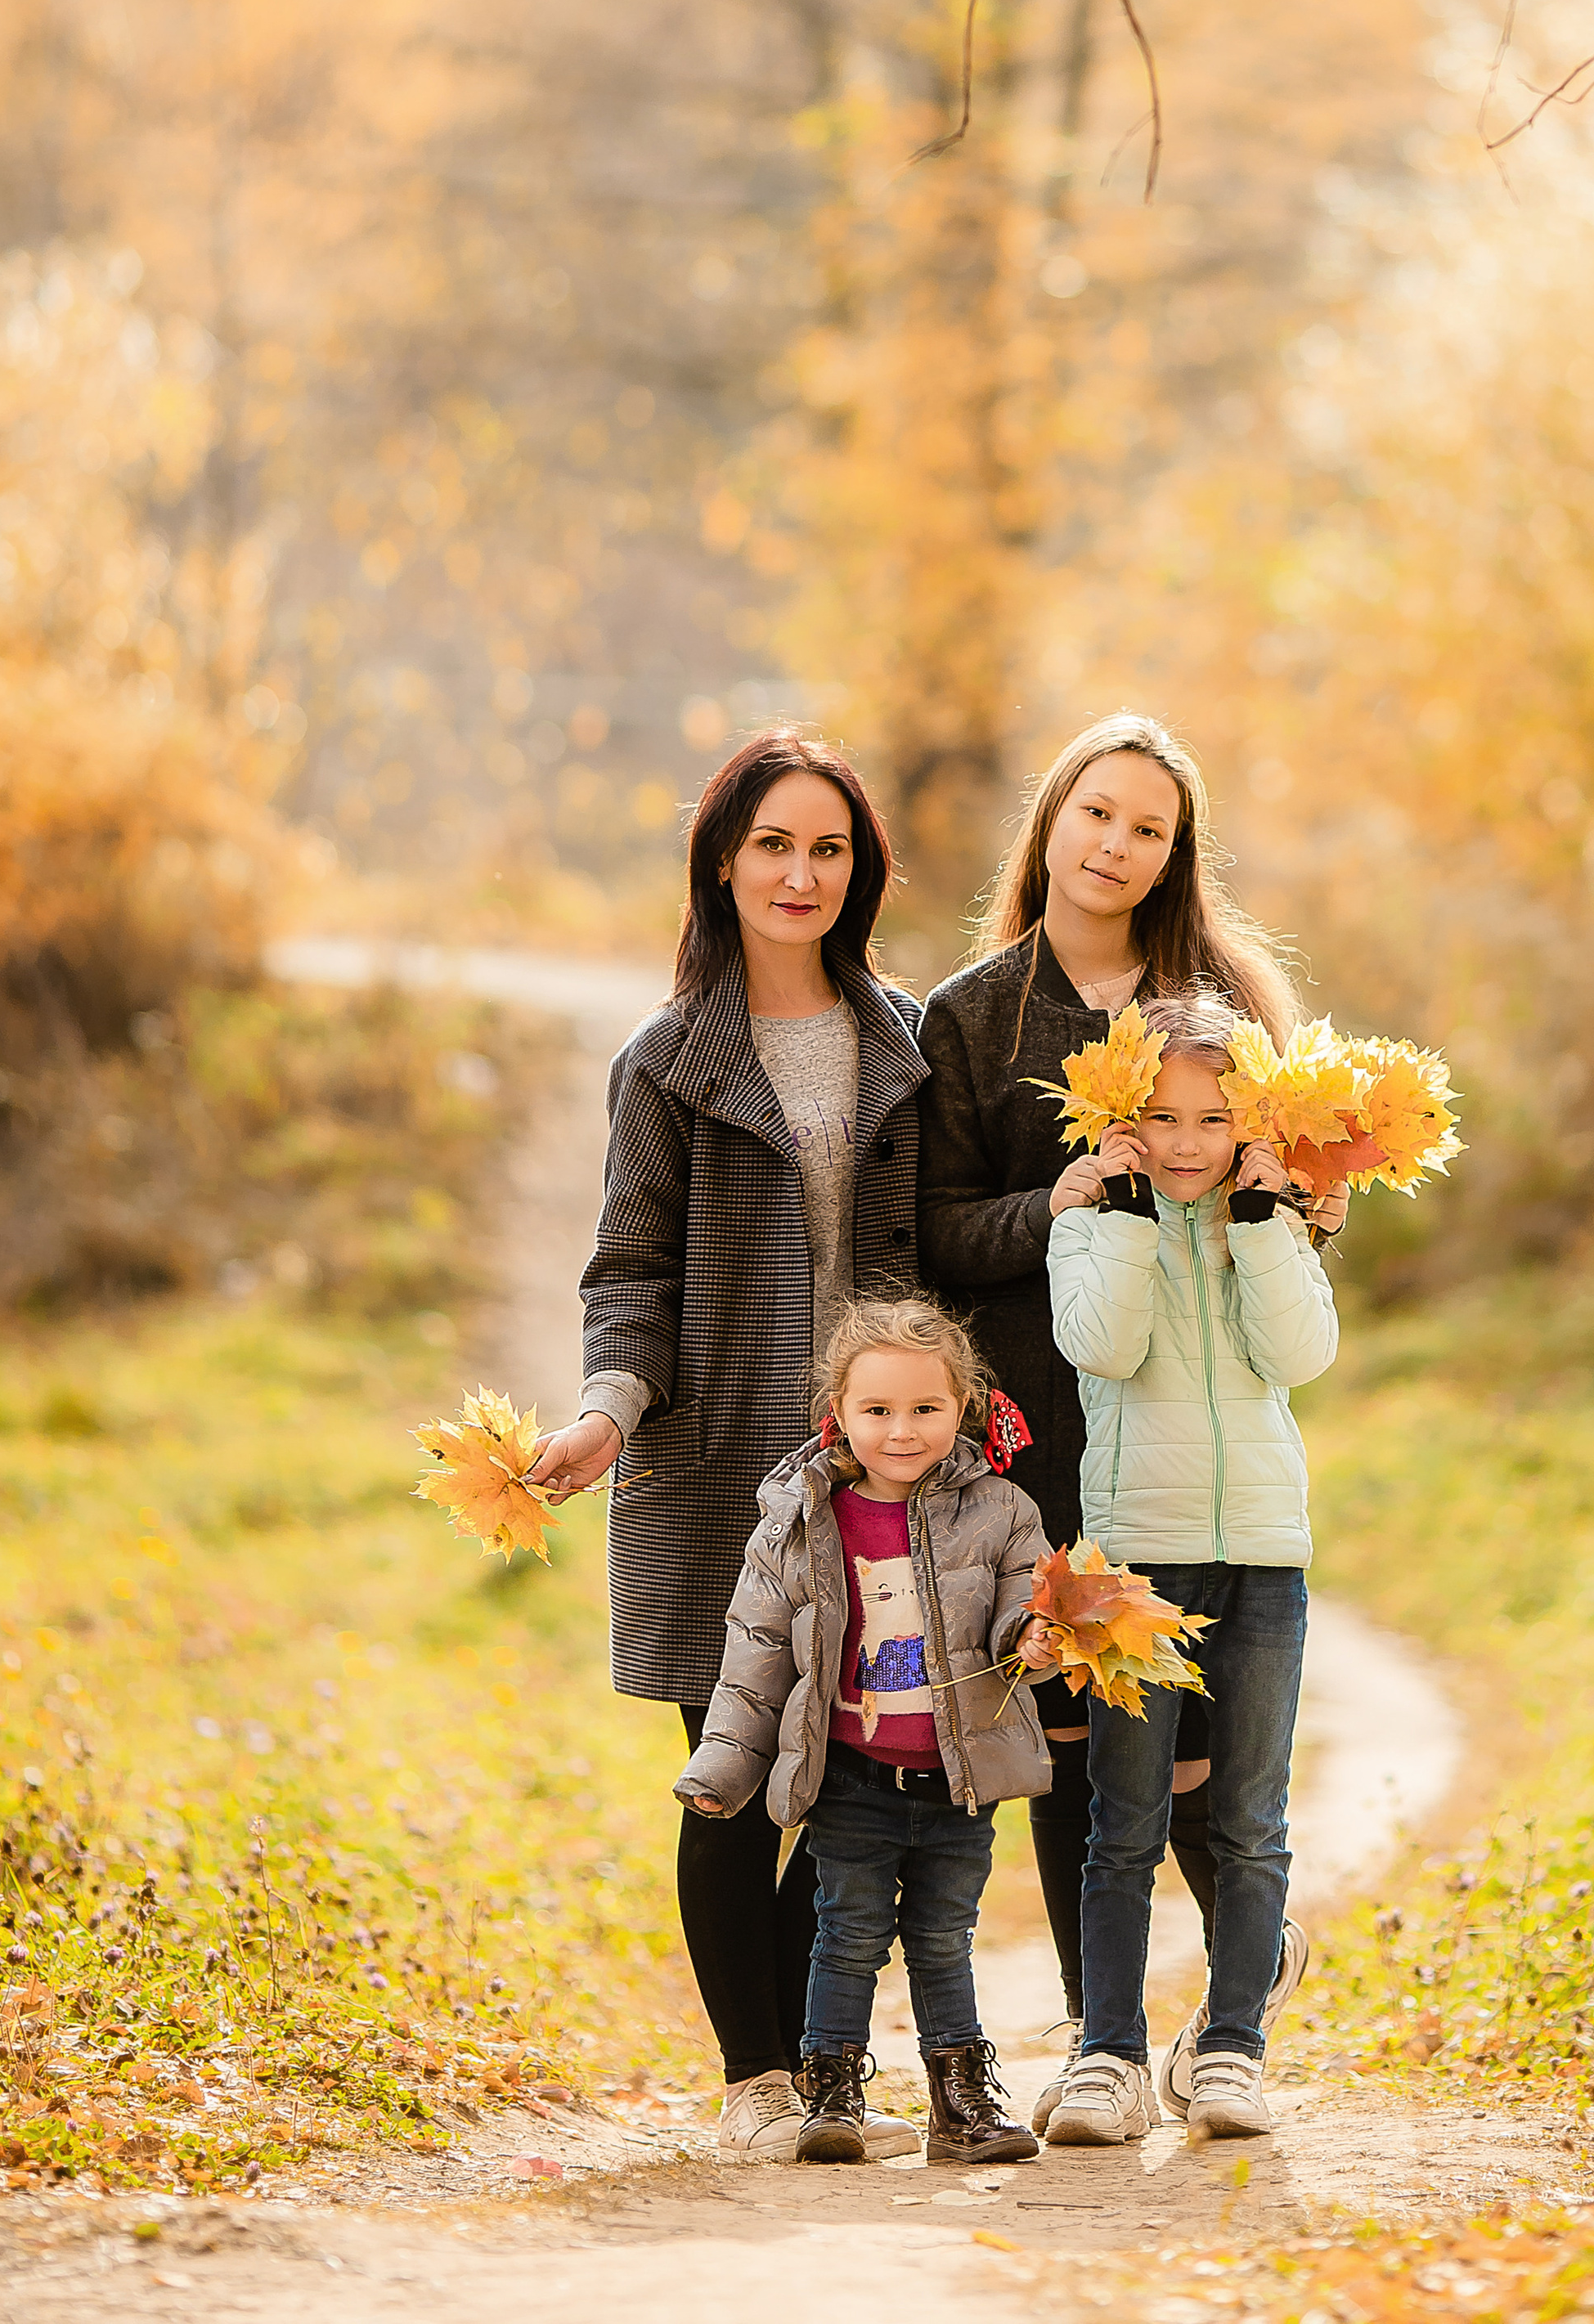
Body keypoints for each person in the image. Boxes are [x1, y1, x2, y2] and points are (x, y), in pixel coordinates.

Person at [527, 729, 929, 2165]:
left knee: (872, 1777)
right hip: (712, 1473)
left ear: (859, 871)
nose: (800, 873)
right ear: (721, 862)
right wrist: (605, 1410)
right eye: (773, 845)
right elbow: (628, 1270)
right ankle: (756, 2076)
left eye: (828, 849)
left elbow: (942, 1250)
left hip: (881, 1475)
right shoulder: (667, 1062)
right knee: (740, 1768)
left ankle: (814, 2065)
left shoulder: (907, 1040)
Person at [914, 710, 1309, 2108]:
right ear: (1052, 822)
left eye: (1149, 827)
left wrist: (1286, 1209)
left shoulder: (1226, 1005)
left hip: (1184, 1422)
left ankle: (1242, 1968)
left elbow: (1299, 1205)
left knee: (1199, 1750)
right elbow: (936, 1231)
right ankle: (1105, 2049)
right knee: (1080, 1735)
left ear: (1174, 853)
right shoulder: (971, 1017)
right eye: (1098, 814)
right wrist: (1056, 1202)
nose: (1117, 845)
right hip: (1038, 1424)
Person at [1039, 994, 1340, 2148]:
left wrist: (1267, 1223)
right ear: (1121, 1120)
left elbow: (1298, 1356)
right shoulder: (1089, 1220)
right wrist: (1110, 1210)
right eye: (1159, 1117)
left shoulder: (1271, 1221)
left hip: (1265, 1552)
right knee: (1124, 1818)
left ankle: (1230, 2051)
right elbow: (1101, 1346)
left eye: (1212, 1120)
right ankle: (1107, 2052)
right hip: (1136, 1558)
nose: (1182, 1143)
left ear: (1247, 1125)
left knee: (1253, 1823)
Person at [676, 1297, 1054, 2166]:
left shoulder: (1000, 1511)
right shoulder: (803, 1521)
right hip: (851, 1774)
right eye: (876, 1410)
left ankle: (958, 2099)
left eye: (926, 1409)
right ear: (837, 1413)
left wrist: (1029, 1639)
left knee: (941, 1939)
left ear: (963, 1407)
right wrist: (723, 1769)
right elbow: (758, 1648)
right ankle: (831, 2093)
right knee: (845, 1934)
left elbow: (1020, 1612)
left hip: (957, 1777)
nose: (901, 1430)